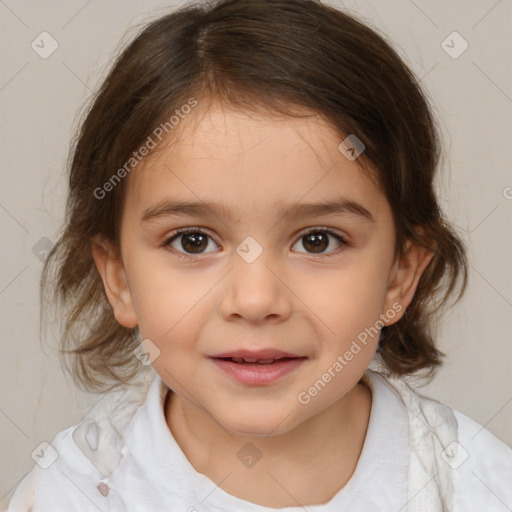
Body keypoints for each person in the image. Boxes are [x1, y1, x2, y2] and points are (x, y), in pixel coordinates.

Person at [3, 0, 511, 510]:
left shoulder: (479, 488)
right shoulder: (67, 495)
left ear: (400, 275)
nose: (254, 300)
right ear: (120, 279)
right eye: (193, 240)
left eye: (318, 240)